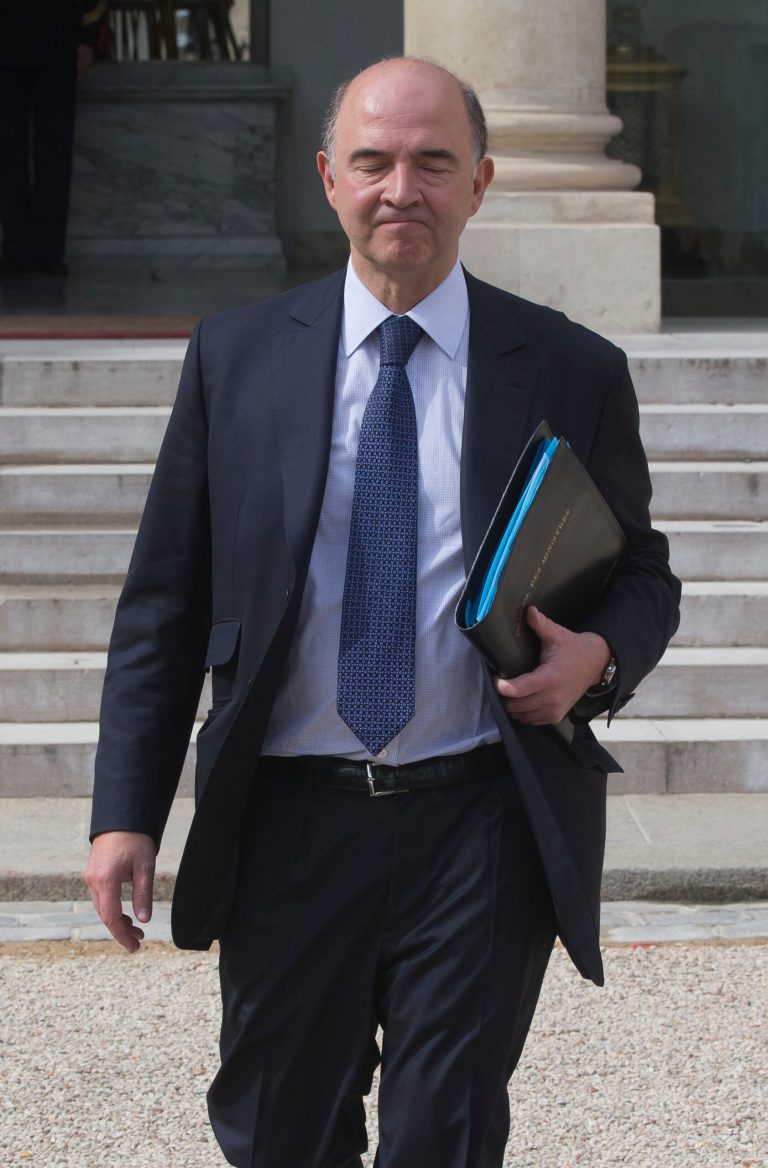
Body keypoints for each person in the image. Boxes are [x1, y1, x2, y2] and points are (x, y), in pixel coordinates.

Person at [85, 57, 681, 1168]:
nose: (400, 187)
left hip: (481, 817)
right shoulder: (237, 357)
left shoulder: (570, 367)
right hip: (285, 822)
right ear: (327, 177)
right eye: (373, 161)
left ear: (480, 183)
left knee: (442, 1138)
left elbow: (644, 572)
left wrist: (597, 658)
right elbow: (165, 602)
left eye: (432, 162)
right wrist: (124, 811)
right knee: (280, 1133)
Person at [0, 0, 105, 276]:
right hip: (6, 43)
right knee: (8, 155)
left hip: (58, 42)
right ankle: (15, 249)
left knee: (54, 154)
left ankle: (48, 252)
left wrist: (87, 38)